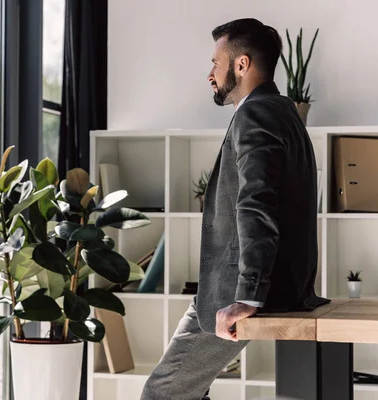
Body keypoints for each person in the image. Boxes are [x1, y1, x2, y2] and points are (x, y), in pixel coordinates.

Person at [140, 18, 330, 400]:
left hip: (237, 295)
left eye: (216, 63)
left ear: (241, 65)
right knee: (187, 390)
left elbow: (257, 205)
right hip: (258, 289)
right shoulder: (285, 111)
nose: (210, 74)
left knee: (164, 394)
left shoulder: (256, 115)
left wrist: (249, 296)